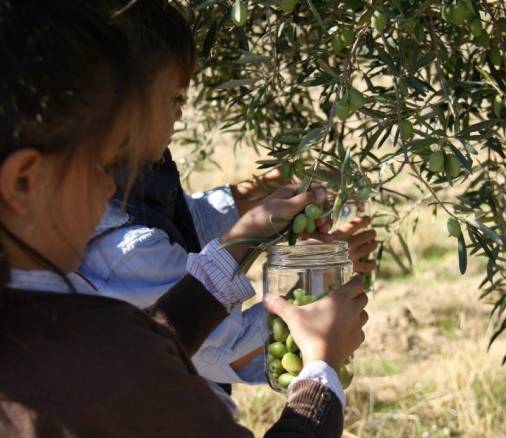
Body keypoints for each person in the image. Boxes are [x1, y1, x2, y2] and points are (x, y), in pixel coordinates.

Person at [0, 1, 368, 436]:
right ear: (25, 182)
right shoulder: (94, 362)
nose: (108, 190)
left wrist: (237, 246)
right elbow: (130, 359)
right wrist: (320, 373)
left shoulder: (45, 335)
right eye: (103, 166)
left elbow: (139, 348)